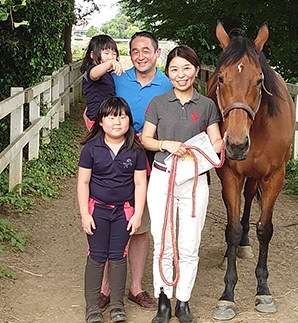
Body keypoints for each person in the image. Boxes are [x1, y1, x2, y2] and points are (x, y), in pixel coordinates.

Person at [141, 46, 223, 323]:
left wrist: (224, 142)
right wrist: (166, 144)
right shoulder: (159, 102)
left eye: (186, 68)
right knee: (162, 241)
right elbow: (146, 139)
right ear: (169, 72)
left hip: (195, 181)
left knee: (189, 243)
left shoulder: (207, 105)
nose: (181, 74)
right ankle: (164, 299)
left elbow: (215, 141)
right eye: (174, 69)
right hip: (164, 176)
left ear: (196, 71)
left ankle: (183, 300)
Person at [98, 31, 174, 312]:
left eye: (146, 50)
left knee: (139, 226)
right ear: (129, 55)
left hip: (150, 162)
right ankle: (105, 288)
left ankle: (136, 288)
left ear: (157, 54)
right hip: (114, 160)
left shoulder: (168, 85)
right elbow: (95, 105)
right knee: (106, 221)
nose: (140, 56)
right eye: (134, 51)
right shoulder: (117, 79)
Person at [78, 96, 148, 323]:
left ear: (129, 120)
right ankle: (92, 307)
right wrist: (84, 214)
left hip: (124, 212)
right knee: (97, 256)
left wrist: (137, 214)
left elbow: (140, 183)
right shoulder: (91, 149)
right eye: (110, 116)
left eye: (122, 116)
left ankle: (117, 306)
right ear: (100, 121)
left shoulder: (136, 150)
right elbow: (83, 183)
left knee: (119, 256)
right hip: (97, 210)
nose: (117, 122)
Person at [80, 34, 123, 130]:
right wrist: (110, 63)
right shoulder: (92, 71)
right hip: (98, 119)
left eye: (114, 54)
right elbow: (94, 74)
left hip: (105, 118)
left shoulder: (107, 75)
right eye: (106, 53)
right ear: (92, 55)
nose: (111, 57)